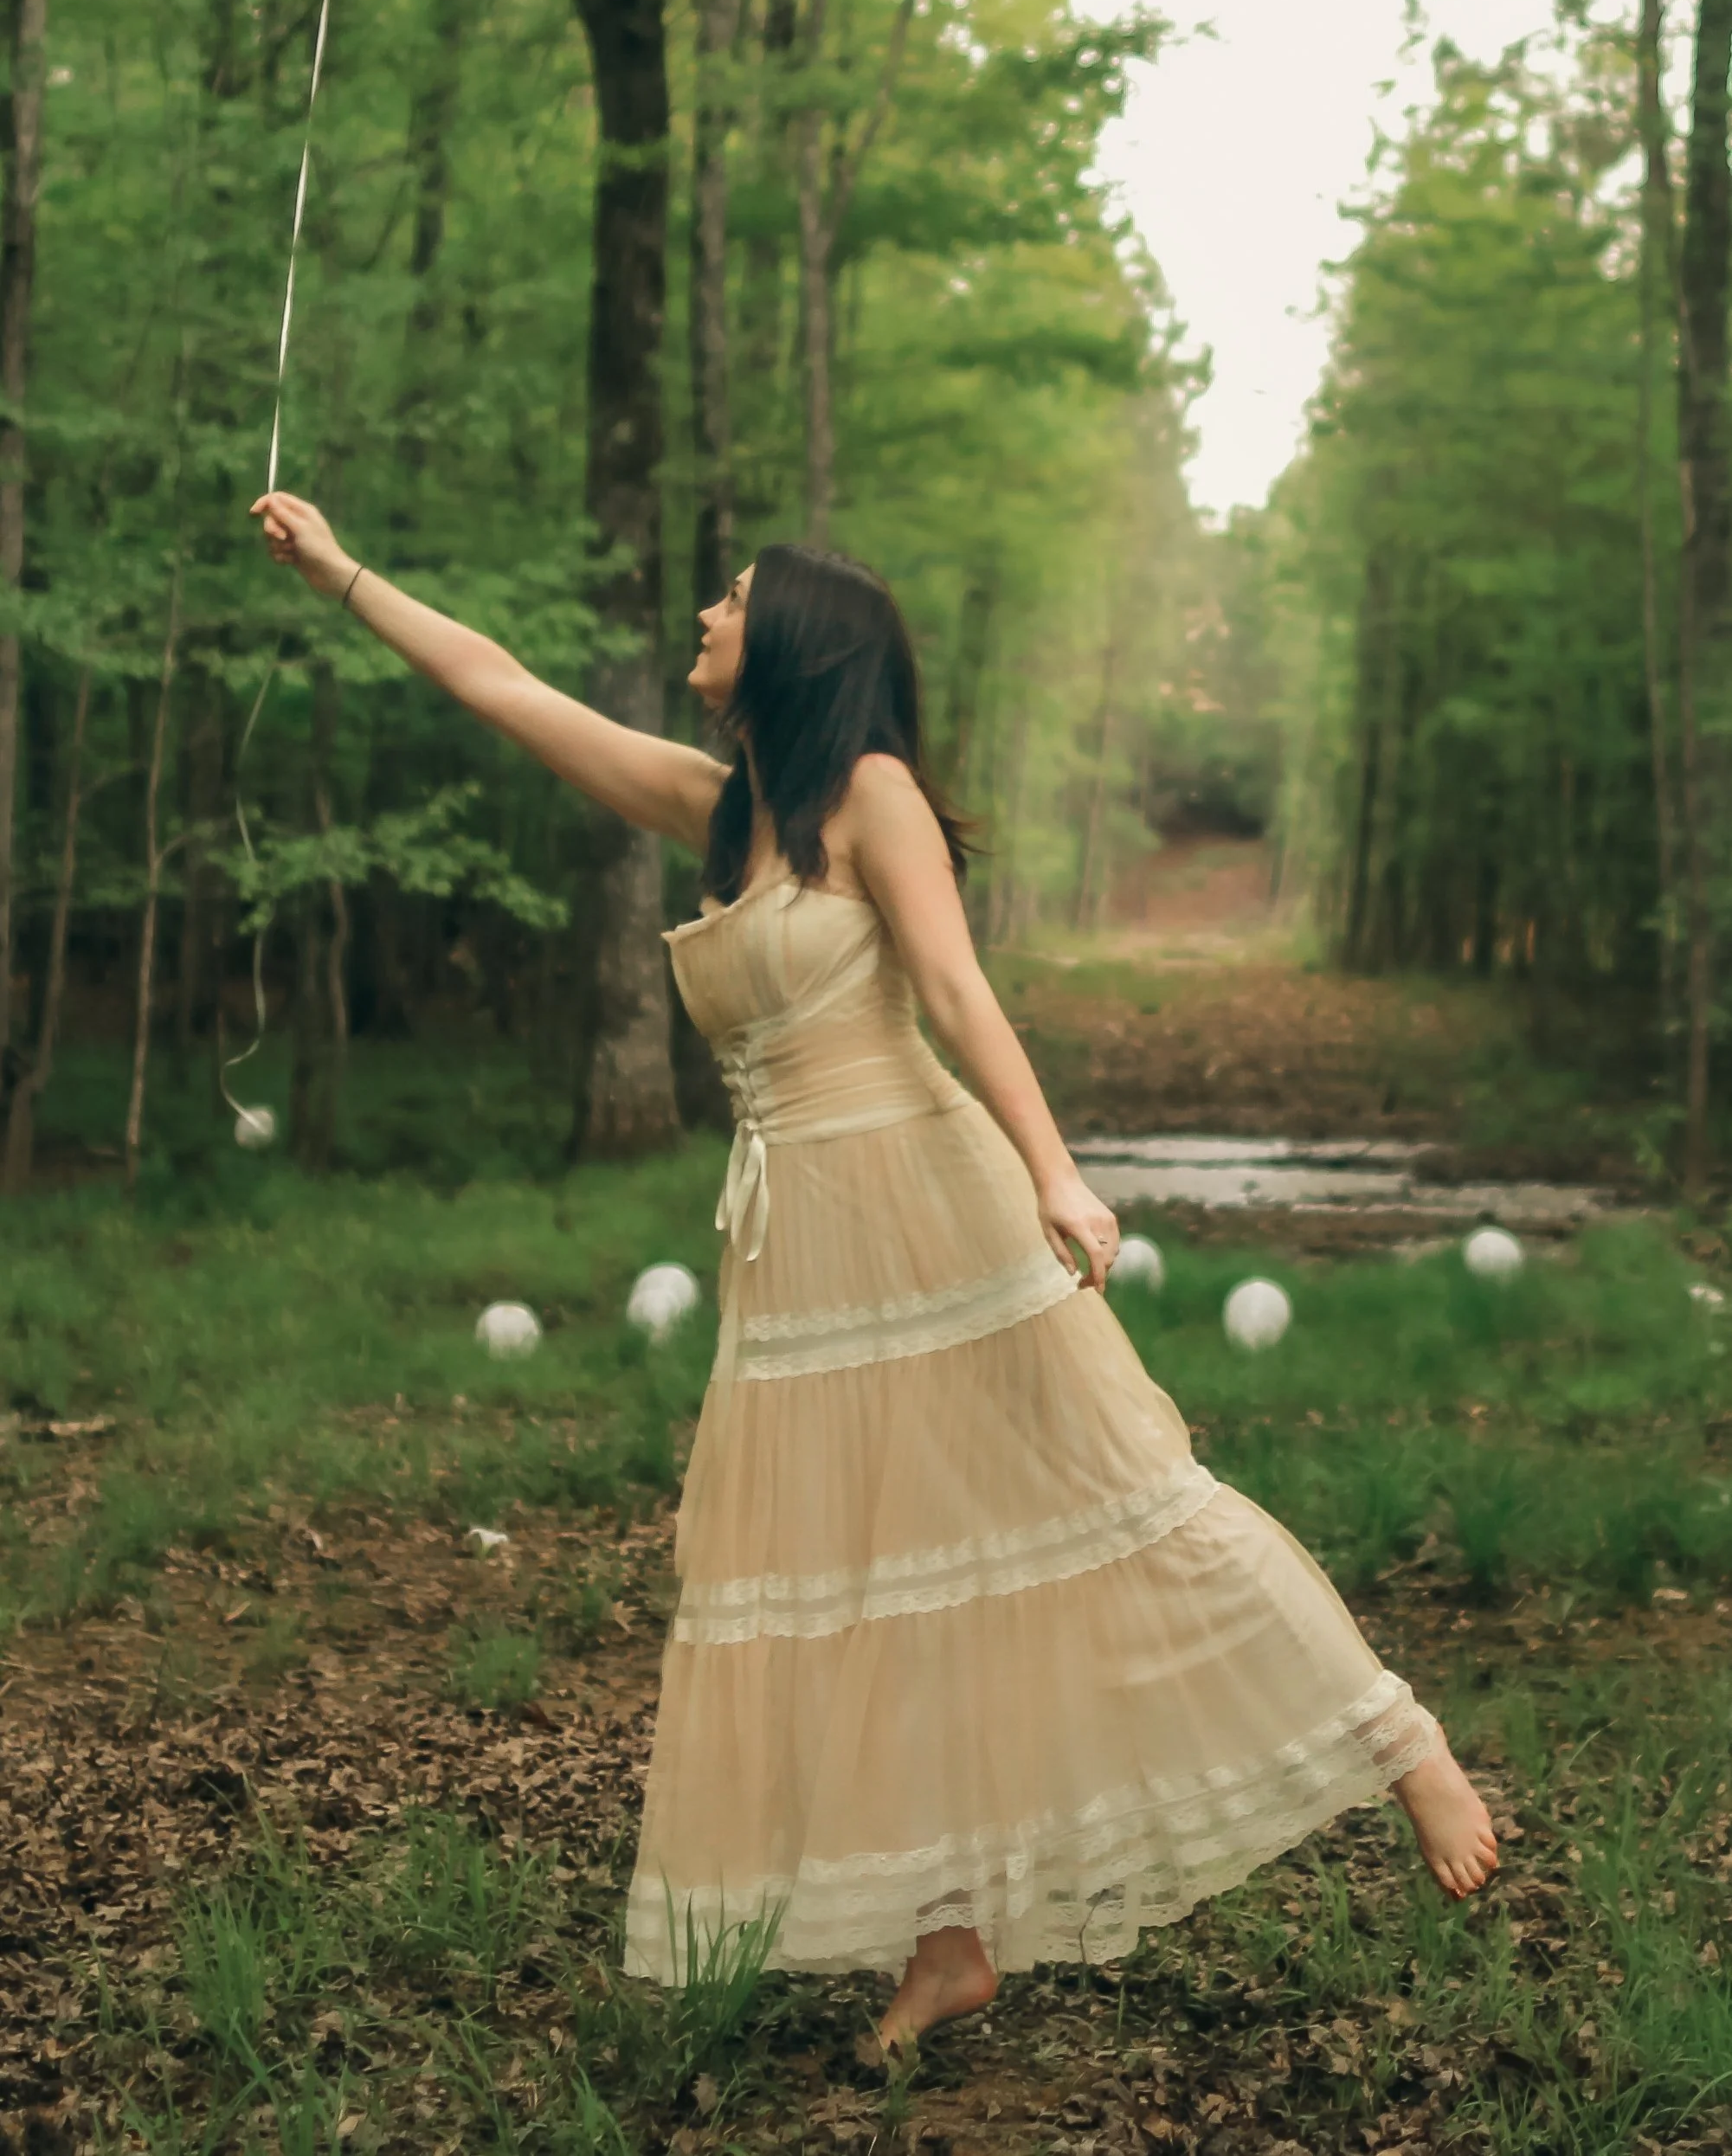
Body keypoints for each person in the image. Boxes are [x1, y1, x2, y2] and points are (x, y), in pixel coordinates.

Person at [252, 494, 1498, 2056]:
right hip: (798, 1261)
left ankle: (1401, 1742)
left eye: (733, 596)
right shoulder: (727, 812)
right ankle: (950, 1937)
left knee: (1129, 1503)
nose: (708, 611)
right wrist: (343, 571)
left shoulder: (871, 798)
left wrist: (1056, 1169)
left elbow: (960, 992)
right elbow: (505, 689)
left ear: (793, 644)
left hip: (929, 1202)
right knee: (866, 1591)